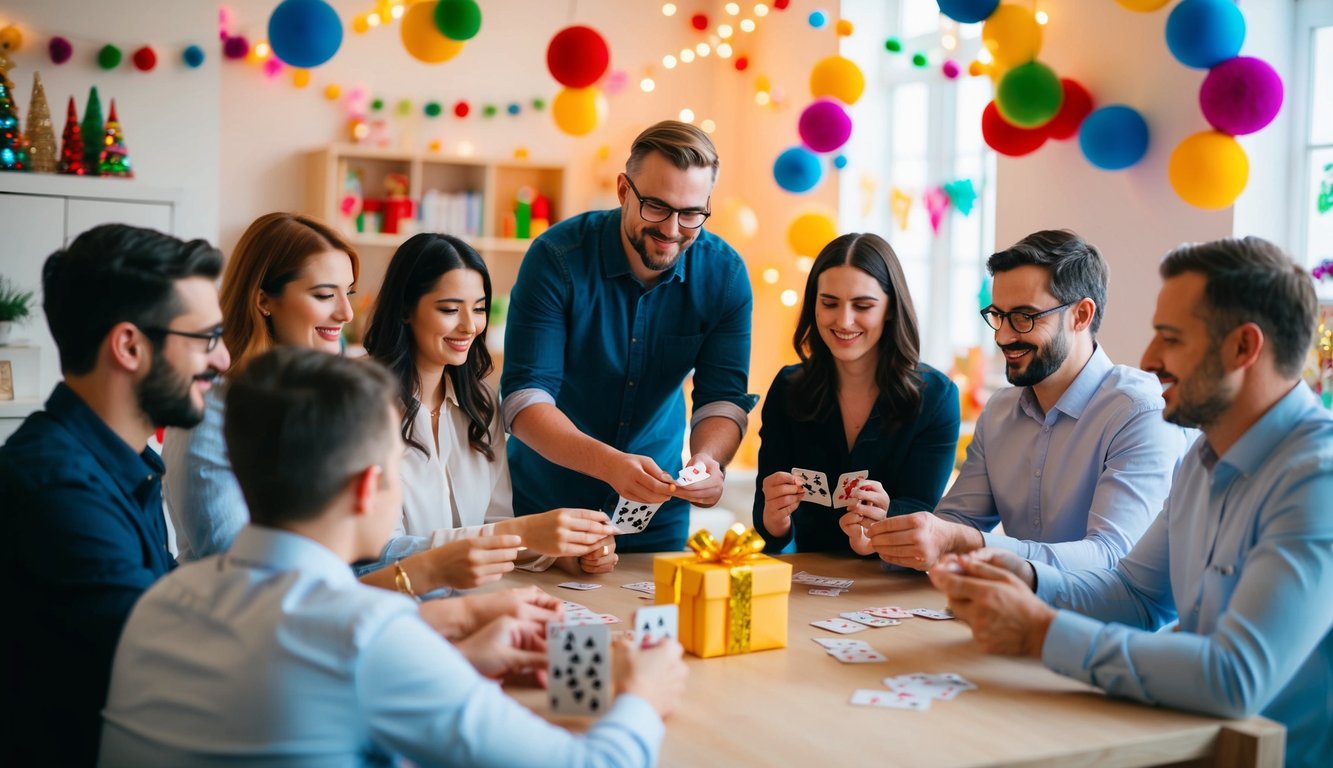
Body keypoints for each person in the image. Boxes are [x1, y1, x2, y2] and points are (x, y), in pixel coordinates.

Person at [100, 347, 689, 767]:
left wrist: (455, 657)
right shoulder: (365, 637)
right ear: (365, 488)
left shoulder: (162, 600)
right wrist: (644, 693)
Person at [929, 237, 1332, 768]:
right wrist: (1023, 578)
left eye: (1171, 338)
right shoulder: (1203, 455)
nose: (1149, 360)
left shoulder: (1317, 479)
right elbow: (1137, 594)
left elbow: (1235, 678)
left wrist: (1041, 632)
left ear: (1243, 348)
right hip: (1178, 739)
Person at [164, 212, 519, 593]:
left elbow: (352, 553)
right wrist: (454, 558)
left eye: (347, 293)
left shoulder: (317, 397)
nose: (346, 313)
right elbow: (247, 573)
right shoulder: (211, 412)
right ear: (264, 300)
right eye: (323, 295)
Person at [0, 224, 230, 766]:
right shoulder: (58, 490)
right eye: (207, 340)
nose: (221, 361)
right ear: (129, 345)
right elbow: (180, 663)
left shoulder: (124, 469)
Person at [501, 120, 757, 554]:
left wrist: (709, 461)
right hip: (547, 506)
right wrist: (610, 465)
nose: (673, 229)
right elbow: (525, 401)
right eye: (656, 207)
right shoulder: (555, 259)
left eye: (692, 213)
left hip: (656, 516)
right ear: (623, 190)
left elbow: (721, 399)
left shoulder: (725, 275)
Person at [864, 230, 1186, 570]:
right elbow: (955, 525)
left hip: (1108, 623)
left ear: (1081, 316)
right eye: (998, 315)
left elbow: (1109, 559)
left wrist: (971, 542)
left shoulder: (1139, 412)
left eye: (1024, 317)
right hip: (1013, 615)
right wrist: (884, 540)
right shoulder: (1000, 410)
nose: (1002, 336)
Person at [363, 232, 620, 574]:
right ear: (406, 309)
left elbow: (495, 523)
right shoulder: (361, 404)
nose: (470, 326)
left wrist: (561, 552)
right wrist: (520, 533)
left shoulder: (480, 401)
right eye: (450, 309)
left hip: (474, 600)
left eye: (480, 309)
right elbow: (379, 553)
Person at [754, 233, 960, 553]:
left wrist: (884, 518)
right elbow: (768, 524)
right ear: (814, 306)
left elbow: (924, 510)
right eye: (829, 303)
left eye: (863, 305)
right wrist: (775, 520)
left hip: (893, 580)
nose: (844, 320)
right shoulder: (787, 387)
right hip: (811, 574)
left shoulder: (936, 397)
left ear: (891, 309)